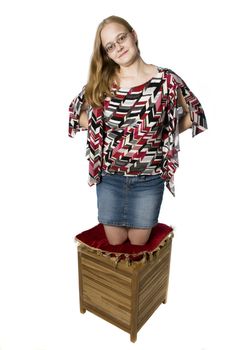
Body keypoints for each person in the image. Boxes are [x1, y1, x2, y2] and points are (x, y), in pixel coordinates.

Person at [68, 15, 207, 246]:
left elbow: (193, 114)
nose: (118, 47)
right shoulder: (103, 83)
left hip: (149, 178)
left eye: (121, 38)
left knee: (138, 242)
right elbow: (75, 112)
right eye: (110, 46)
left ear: (133, 35)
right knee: (116, 241)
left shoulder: (166, 80)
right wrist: (100, 132)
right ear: (107, 54)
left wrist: (164, 134)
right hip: (110, 177)